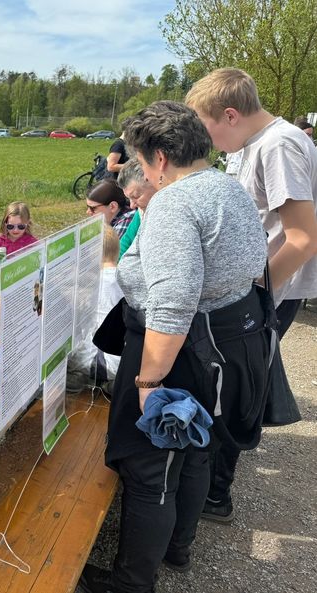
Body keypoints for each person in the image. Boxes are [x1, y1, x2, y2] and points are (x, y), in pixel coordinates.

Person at [78, 101, 271, 593]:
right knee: (194, 451)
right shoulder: (229, 187)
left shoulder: (175, 202)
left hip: (177, 352)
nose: (141, 172)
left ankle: (131, 583)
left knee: (150, 468)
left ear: (160, 158)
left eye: (142, 163)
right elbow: (254, 263)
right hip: (224, 344)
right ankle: (177, 548)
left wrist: (148, 379)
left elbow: (174, 298)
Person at [186, 68, 317, 522]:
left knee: (234, 383)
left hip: (265, 291)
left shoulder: (279, 146)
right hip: (256, 287)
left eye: (206, 130)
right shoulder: (252, 144)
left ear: (230, 114)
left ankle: (215, 494)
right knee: (237, 378)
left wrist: (256, 295)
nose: (205, 143)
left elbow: (302, 238)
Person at [66, 226, 123, 394]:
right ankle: (112, 382)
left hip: (90, 361)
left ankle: (82, 375)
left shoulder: (93, 284)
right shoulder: (124, 278)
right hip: (121, 363)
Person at [116, 157, 156, 259]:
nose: (132, 206)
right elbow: (126, 242)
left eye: (136, 196)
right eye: (129, 199)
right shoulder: (141, 212)